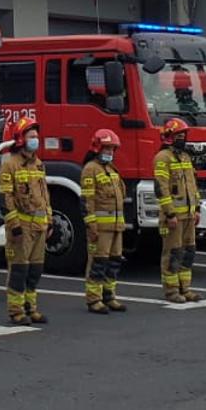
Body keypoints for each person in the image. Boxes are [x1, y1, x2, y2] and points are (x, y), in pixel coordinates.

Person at [0, 116, 50, 324]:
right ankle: (16, 310)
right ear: (21, 138)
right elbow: (5, 197)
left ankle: (31, 308)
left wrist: (50, 218)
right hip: (22, 227)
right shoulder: (10, 165)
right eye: (31, 136)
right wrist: (14, 224)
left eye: (36, 136)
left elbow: (44, 194)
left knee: (34, 270)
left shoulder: (38, 164)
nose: (35, 139)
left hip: (40, 225)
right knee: (19, 270)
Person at [152, 118, 202, 302]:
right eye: (179, 135)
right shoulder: (162, 158)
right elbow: (161, 188)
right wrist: (170, 213)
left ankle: (185, 288)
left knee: (188, 252)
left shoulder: (185, 157)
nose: (183, 139)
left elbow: (192, 185)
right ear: (170, 137)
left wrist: (197, 208)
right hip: (174, 217)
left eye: (184, 135)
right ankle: (172, 291)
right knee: (172, 253)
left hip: (188, 215)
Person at [81, 129, 129, 313]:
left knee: (114, 261)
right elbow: (87, 201)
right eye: (107, 148)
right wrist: (91, 225)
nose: (110, 152)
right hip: (100, 228)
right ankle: (94, 299)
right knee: (98, 263)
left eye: (112, 149)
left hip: (116, 226)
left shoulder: (111, 170)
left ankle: (109, 296)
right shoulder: (90, 169)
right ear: (97, 148)